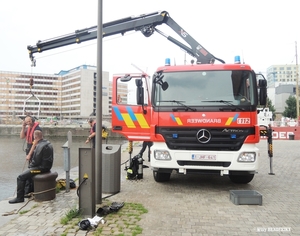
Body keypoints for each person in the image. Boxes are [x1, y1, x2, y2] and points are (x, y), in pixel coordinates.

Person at [9, 130, 54, 204]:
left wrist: (30, 167)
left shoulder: (40, 146)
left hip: (40, 169)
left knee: (21, 177)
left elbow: (36, 161)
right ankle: (26, 193)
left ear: (35, 137)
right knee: (27, 174)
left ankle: (20, 198)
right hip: (47, 167)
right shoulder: (48, 143)